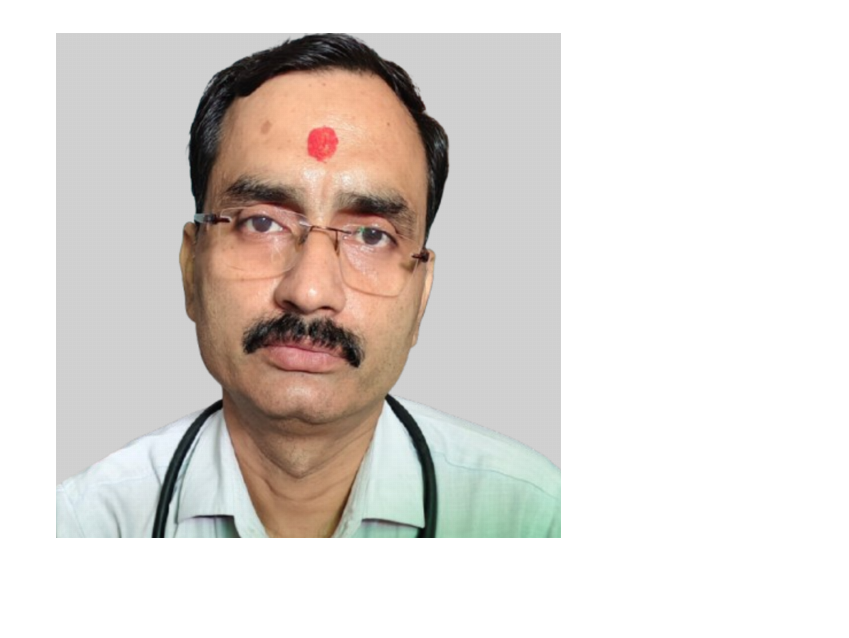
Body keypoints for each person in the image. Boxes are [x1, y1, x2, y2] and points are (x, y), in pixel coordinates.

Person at [56, 33, 560, 539]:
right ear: (191, 268)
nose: (310, 291)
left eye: (372, 235)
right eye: (261, 223)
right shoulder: (86, 523)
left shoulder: (533, 517)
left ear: (422, 295)